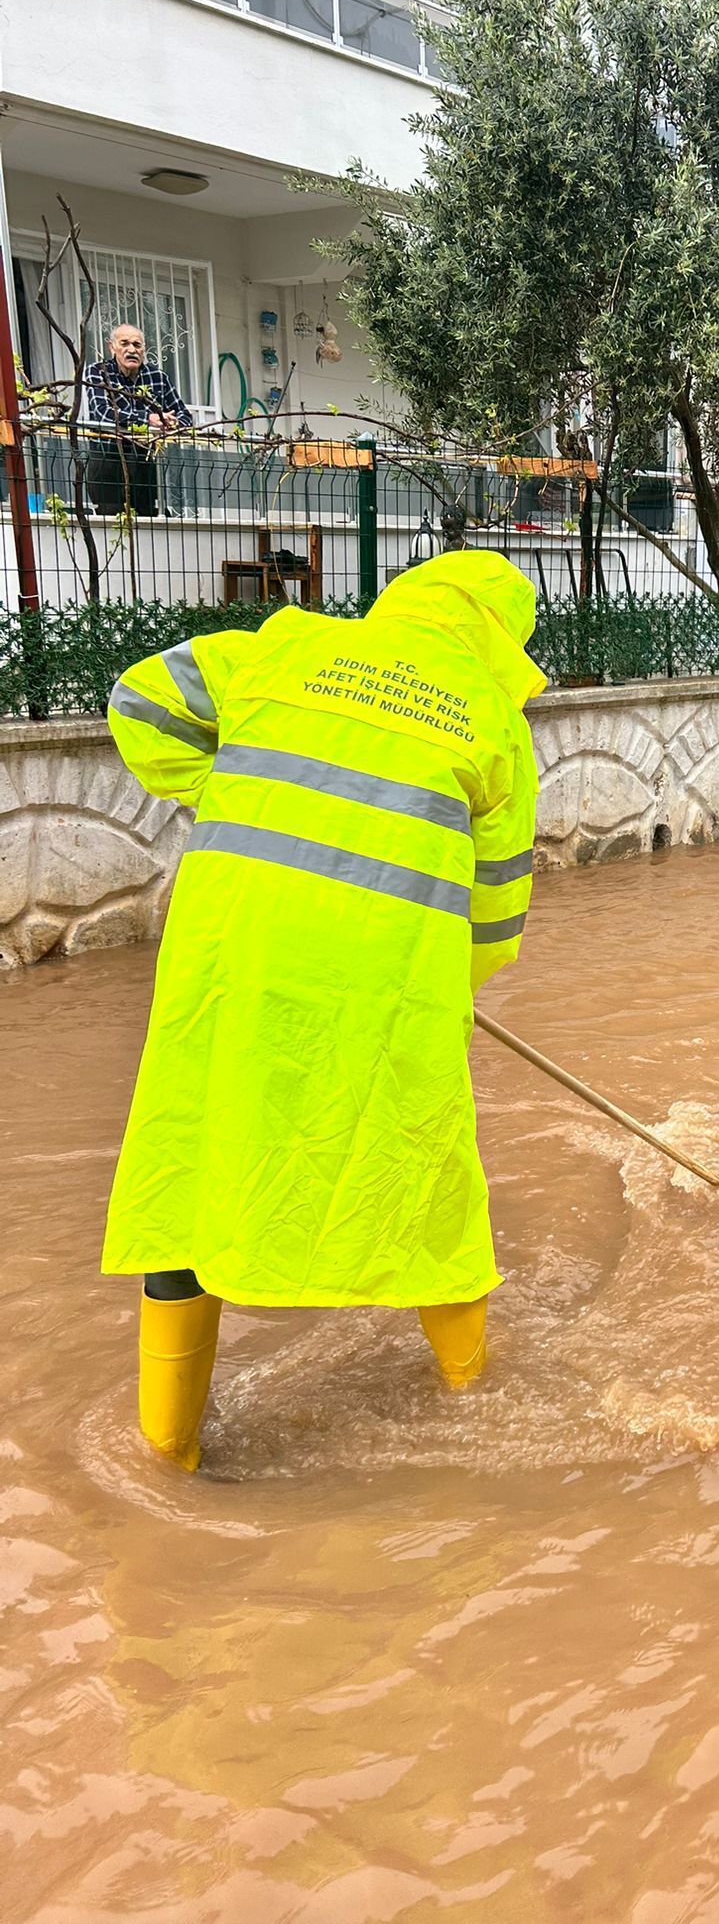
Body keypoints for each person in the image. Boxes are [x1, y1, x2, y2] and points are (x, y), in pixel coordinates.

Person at [103, 551, 545, 1470]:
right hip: (387, 998)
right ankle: (474, 1397)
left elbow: (140, 704)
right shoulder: (492, 723)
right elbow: (496, 914)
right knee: (426, 1179)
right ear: (502, 641)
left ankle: (169, 1451)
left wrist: (229, 793)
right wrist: (447, 989)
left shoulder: (281, 646)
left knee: (191, 1170)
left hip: (229, 969)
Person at [83, 324, 193, 518]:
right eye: (124, 343)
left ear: (144, 349)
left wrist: (169, 422)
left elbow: (185, 417)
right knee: (111, 522)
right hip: (107, 459)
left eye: (137, 344)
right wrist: (148, 419)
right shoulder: (98, 372)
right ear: (112, 347)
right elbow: (103, 413)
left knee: (147, 521)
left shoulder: (158, 377)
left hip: (144, 462)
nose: (131, 350)